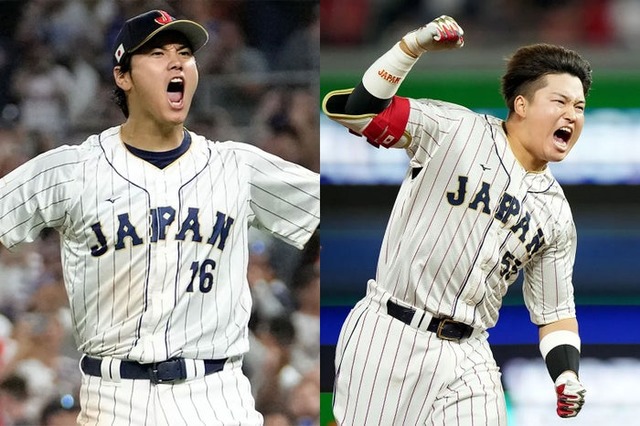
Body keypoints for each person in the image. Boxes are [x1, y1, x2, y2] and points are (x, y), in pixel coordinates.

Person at [0, 9, 320, 426]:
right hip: (115, 398)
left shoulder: (235, 167)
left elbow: (333, 211)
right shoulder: (73, 170)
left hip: (217, 394)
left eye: (184, 53)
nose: (176, 62)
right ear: (123, 77)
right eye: (157, 53)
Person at [322, 15, 589, 425]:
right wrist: (412, 46)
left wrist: (566, 374)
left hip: (470, 353)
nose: (572, 114)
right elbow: (360, 113)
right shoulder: (456, 129)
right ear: (521, 104)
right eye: (560, 101)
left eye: (579, 106)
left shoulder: (555, 213)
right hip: (392, 332)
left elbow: (555, 312)